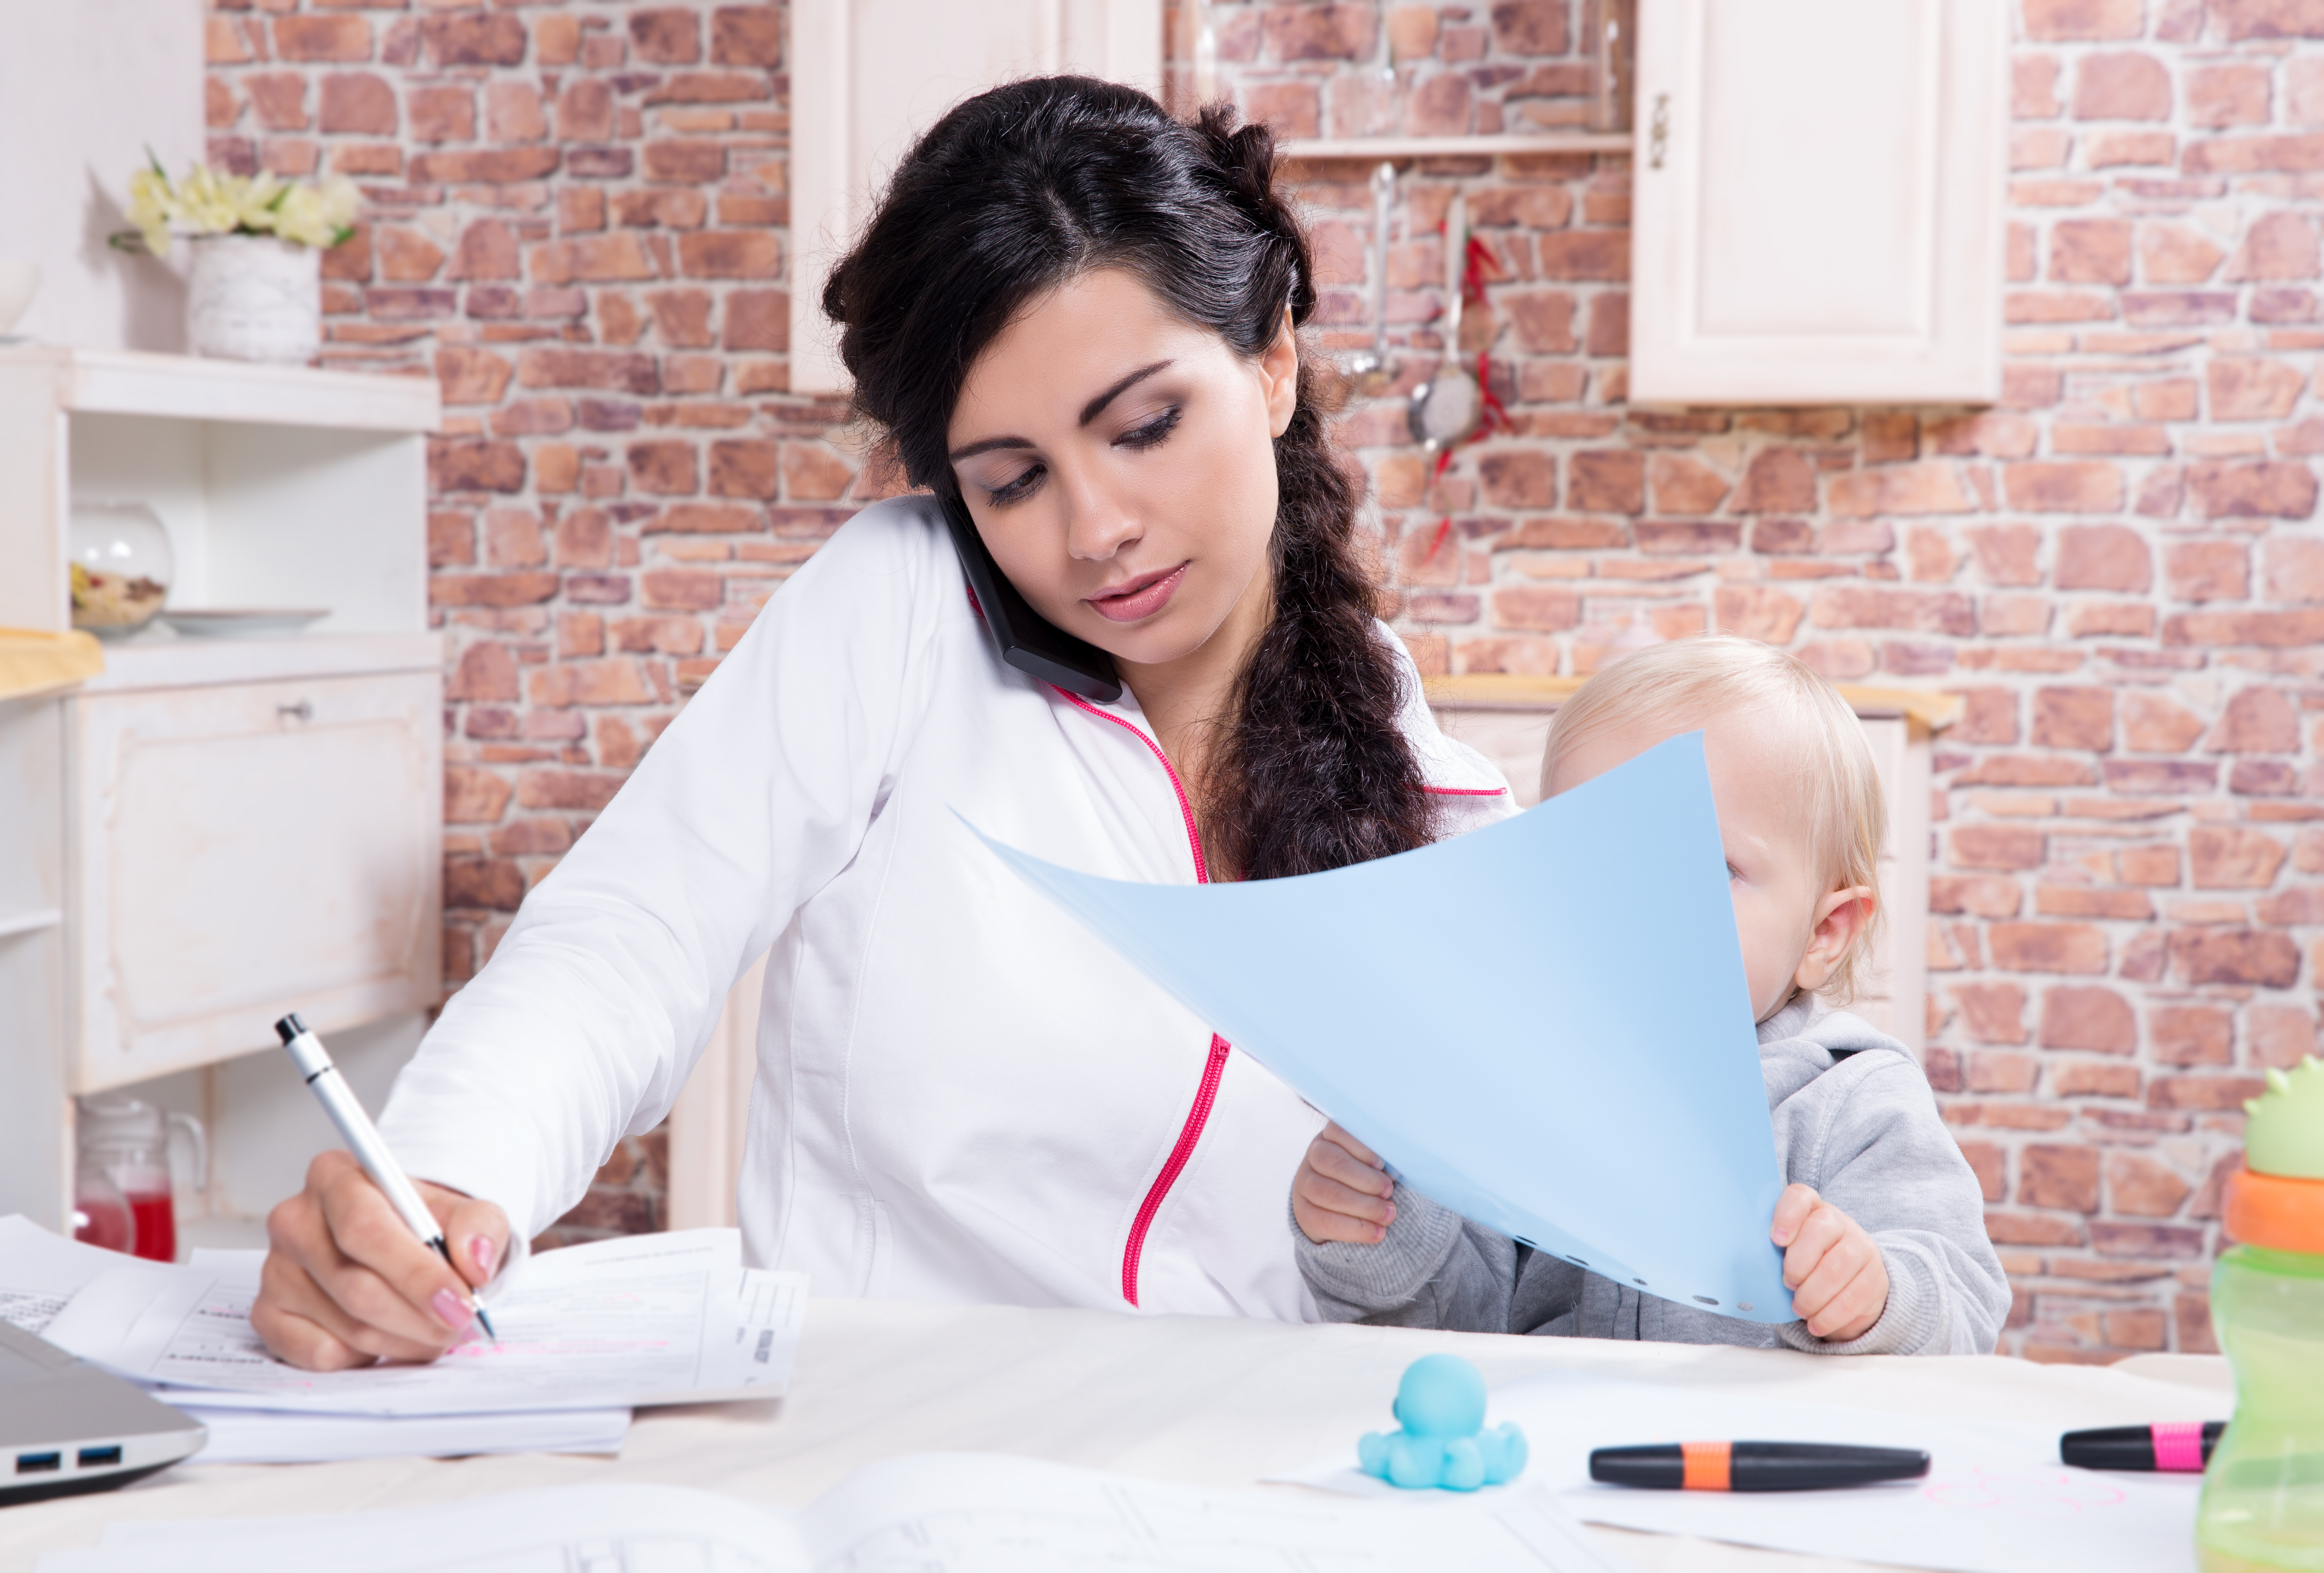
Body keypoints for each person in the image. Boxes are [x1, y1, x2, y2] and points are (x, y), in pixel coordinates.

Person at [249, 76, 1511, 1371]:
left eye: (1145, 428)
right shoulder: (907, 612)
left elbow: (1497, 1274)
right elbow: (633, 935)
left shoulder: (1446, 810)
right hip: (882, 1440)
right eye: (1013, 480)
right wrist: (450, 1178)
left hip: (1256, 1461)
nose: (1094, 530)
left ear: (1274, 361)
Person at [1290, 637, 2009, 1355]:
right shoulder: (1520, 1090)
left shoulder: (1855, 1097)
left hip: (1763, 1429)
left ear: (1825, 932)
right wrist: (1376, 1230)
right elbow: (1460, 1330)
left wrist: (1873, 1295)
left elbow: (1963, 1307)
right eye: (1585, 860)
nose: (1630, 903)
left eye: (1702, 865)